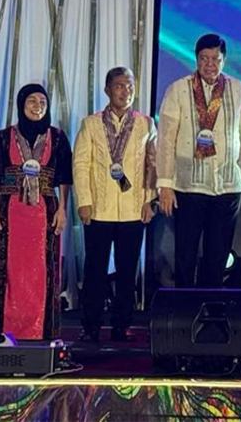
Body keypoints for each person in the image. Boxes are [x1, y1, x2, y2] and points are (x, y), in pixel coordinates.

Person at [156, 33, 241, 288]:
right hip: (188, 185)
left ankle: (211, 309)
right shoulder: (179, 89)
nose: (210, 64)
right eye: (204, 58)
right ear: (196, 59)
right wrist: (165, 184)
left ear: (224, 60)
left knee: (218, 255)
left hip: (227, 186)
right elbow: (166, 139)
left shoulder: (238, 89)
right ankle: (185, 313)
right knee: (186, 254)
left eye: (215, 59)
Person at [0, 84, 72, 340]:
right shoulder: (3, 137)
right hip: (9, 213)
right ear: (21, 104)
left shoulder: (59, 137)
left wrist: (63, 209)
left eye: (42, 101)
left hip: (45, 213)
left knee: (41, 272)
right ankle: (0, 333)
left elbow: (65, 178)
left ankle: (39, 332)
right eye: (31, 100)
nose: (37, 105)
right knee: (6, 271)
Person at [73, 67, 158, 343]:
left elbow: (152, 165)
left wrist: (150, 201)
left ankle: (122, 325)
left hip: (134, 209)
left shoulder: (145, 123)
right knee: (95, 269)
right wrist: (83, 201)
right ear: (108, 90)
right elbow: (81, 164)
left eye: (130, 86)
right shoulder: (91, 124)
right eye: (120, 86)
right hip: (99, 207)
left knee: (127, 270)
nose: (126, 91)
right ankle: (91, 325)